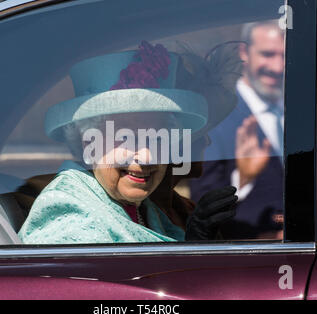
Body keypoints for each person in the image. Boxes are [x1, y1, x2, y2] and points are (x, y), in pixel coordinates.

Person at [18, 41, 236, 244]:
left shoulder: (144, 208)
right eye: (125, 138)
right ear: (89, 143)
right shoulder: (67, 211)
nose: (147, 157)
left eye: (157, 139)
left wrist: (196, 243)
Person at [189, 21, 285, 239]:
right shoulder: (217, 114)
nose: (277, 67)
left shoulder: (301, 108)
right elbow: (202, 204)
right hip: (247, 256)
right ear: (244, 51)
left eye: (284, 56)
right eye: (268, 54)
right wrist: (242, 178)